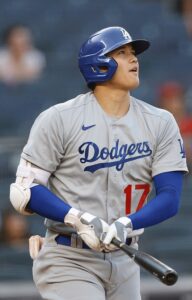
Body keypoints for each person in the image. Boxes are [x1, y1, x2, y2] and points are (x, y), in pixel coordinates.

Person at [9, 26, 188, 300]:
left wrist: (127, 223)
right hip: (69, 255)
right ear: (98, 64)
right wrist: (78, 219)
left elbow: (170, 197)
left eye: (133, 53)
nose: (134, 59)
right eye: (122, 53)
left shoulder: (160, 122)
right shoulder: (59, 118)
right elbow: (24, 191)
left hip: (126, 257)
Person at [158, 81, 192, 172]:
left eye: (177, 99)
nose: (175, 103)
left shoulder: (190, 123)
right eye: (169, 99)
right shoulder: (157, 126)